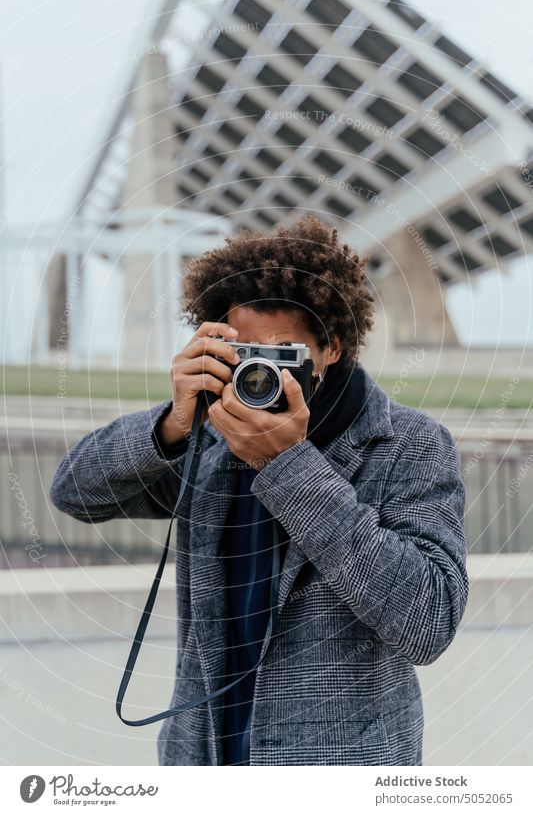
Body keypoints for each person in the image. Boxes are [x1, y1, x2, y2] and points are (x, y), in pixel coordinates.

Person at [49, 213, 468, 766]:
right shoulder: (211, 440)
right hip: (206, 762)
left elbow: (428, 622)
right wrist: (173, 426)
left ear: (333, 347)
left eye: (283, 355)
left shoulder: (407, 445)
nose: (262, 375)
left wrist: (289, 467)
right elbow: (74, 491)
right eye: (246, 355)